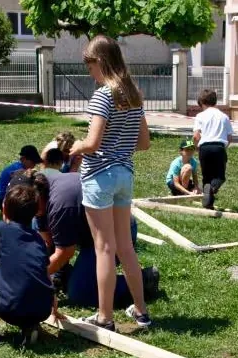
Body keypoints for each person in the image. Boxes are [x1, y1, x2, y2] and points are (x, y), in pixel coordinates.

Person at [68, 35, 153, 331]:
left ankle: (105, 317)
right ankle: (141, 312)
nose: (89, 72)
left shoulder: (103, 95)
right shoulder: (133, 95)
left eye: (89, 65)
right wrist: (120, 145)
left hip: (98, 176)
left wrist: (78, 146)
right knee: (125, 247)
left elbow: (92, 142)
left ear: (100, 61)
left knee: (103, 248)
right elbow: (144, 143)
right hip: (124, 175)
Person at [36, 170, 158, 310]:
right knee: (37, 228)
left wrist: (37, 276)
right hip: (89, 232)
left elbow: (65, 252)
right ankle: (63, 276)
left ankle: (145, 279)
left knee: (80, 292)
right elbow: (48, 239)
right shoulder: (38, 184)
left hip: (117, 234)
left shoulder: (61, 205)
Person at [0, 180, 54, 346]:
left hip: (11, 309)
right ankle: (31, 325)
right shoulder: (39, 239)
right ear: (35, 213)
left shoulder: (0, 229)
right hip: (44, 309)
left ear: (4, 208)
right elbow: (45, 272)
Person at [193, 89, 233, 210]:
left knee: (207, 177)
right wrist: (223, 147)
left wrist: (195, 147)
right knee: (219, 176)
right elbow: (230, 137)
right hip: (219, 147)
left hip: (204, 148)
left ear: (201, 102)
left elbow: (196, 136)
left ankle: (208, 204)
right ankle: (212, 189)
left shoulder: (200, 116)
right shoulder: (224, 116)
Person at [0, 145, 40, 210]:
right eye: (33, 162)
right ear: (23, 159)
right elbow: (16, 175)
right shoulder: (17, 169)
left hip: (5, 197)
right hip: (2, 199)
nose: (34, 165)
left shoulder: (19, 166)